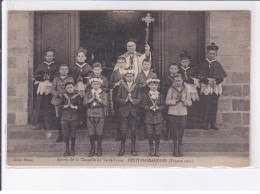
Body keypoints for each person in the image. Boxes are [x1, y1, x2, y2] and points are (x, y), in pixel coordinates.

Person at [198, 43, 227, 130]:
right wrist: (207, 81)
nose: (212, 55)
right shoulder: (203, 63)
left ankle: (213, 123)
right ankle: (205, 123)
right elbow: (200, 76)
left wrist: (215, 82)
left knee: (214, 104)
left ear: (216, 55)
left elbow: (221, 77)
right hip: (206, 86)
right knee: (206, 104)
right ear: (207, 54)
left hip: (215, 86)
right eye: (210, 53)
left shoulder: (217, 64)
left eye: (213, 54)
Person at [31, 47, 59, 130]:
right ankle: (39, 123)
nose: (49, 57)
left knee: (50, 105)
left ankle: (50, 124)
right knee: (41, 104)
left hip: (51, 86)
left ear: (53, 57)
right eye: (48, 56)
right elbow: (35, 76)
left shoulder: (56, 66)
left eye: (51, 56)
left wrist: (50, 77)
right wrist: (43, 77)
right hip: (42, 87)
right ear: (45, 56)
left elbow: (57, 76)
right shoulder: (41, 65)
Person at [116, 70, 142, 156]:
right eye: (128, 76)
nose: (129, 78)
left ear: (133, 77)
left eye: (131, 76)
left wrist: (133, 100)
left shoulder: (137, 87)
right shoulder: (122, 86)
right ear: (125, 77)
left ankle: (133, 147)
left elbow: (140, 98)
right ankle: (122, 147)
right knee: (123, 130)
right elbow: (117, 98)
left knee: (133, 130)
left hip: (134, 111)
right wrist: (125, 100)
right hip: (124, 111)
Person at [165, 74, 192, 157]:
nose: (178, 82)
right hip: (173, 112)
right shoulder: (171, 90)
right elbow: (167, 101)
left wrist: (185, 101)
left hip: (183, 112)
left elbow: (190, 102)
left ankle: (180, 146)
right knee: (174, 130)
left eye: (179, 80)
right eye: (176, 81)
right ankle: (175, 147)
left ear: (182, 81)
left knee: (181, 130)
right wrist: (175, 100)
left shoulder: (185, 90)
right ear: (173, 81)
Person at [83, 78, 108, 157]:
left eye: (97, 84)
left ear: (100, 85)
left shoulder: (103, 93)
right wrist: (91, 99)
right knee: (91, 131)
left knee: (99, 131)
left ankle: (99, 148)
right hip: (90, 114)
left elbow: (106, 103)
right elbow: (84, 103)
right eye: (94, 84)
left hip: (99, 114)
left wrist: (98, 99)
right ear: (91, 85)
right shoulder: (88, 93)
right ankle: (92, 148)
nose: (96, 86)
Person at [71, 47, 94, 129]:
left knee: (84, 104)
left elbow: (91, 77)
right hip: (76, 87)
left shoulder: (88, 67)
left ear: (85, 58)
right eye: (79, 56)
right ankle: (76, 122)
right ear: (76, 58)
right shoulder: (74, 67)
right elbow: (70, 77)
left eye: (82, 56)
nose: (80, 57)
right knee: (76, 103)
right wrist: (76, 79)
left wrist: (84, 79)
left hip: (85, 87)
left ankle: (84, 122)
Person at [141, 78, 165, 156]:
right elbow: (143, 105)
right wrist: (149, 108)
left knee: (158, 133)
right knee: (150, 133)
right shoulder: (146, 95)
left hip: (158, 116)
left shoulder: (161, 95)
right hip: (149, 116)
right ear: (149, 86)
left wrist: (159, 108)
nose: (154, 87)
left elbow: (164, 105)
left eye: (155, 85)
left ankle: (157, 149)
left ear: (157, 86)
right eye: (152, 85)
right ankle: (151, 148)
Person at [51, 64, 74, 142]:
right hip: (57, 101)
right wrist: (58, 94)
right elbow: (52, 89)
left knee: (67, 117)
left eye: (65, 69)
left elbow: (71, 88)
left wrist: (65, 95)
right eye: (62, 69)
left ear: (68, 71)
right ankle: (60, 134)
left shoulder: (70, 79)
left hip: (67, 100)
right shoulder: (56, 79)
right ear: (59, 70)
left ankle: (67, 134)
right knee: (58, 117)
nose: (64, 71)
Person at [135, 58, 157, 141]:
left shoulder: (153, 75)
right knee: (142, 116)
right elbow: (136, 86)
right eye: (144, 64)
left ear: (150, 65)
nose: (146, 66)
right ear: (142, 65)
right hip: (142, 98)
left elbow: (157, 86)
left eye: (147, 64)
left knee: (152, 115)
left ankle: (152, 134)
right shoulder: (139, 75)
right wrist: (145, 84)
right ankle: (142, 134)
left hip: (151, 97)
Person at [178, 51, 200, 128]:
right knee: (182, 105)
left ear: (189, 62)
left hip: (191, 90)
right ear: (180, 62)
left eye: (186, 61)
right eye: (183, 61)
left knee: (191, 106)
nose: (185, 63)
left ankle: (191, 123)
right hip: (182, 89)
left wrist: (192, 80)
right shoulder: (178, 70)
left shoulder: (193, 70)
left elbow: (196, 80)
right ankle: (182, 123)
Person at [61, 82, 82, 156]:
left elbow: (81, 106)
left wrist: (75, 107)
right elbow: (60, 105)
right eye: (68, 88)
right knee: (65, 133)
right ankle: (67, 149)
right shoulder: (64, 96)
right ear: (66, 89)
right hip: (65, 117)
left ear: (74, 88)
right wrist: (64, 106)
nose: (70, 89)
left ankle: (72, 149)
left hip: (74, 117)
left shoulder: (77, 96)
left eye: (71, 87)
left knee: (73, 133)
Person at [109, 56, 126, 141]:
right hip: (116, 96)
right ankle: (118, 134)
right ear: (117, 64)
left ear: (125, 63)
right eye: (119, 62)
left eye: (123, 62)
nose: (121, 64)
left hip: (126, 96)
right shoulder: (114, 73)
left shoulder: (129, 72)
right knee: (118, 115)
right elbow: (110, 84)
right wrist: (116, 83)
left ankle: (125, 134)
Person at [162, 63, 179, 141]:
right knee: (168, 118)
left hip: (177, 101)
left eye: (175, 68)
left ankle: (174, 134)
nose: (173, 70)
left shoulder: (180, 78)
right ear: (169, 69)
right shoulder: (166, 78)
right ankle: (167, 134)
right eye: (172, 68)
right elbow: (162, 88)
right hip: (168, 99)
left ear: (178, 70)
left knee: (176, 118)